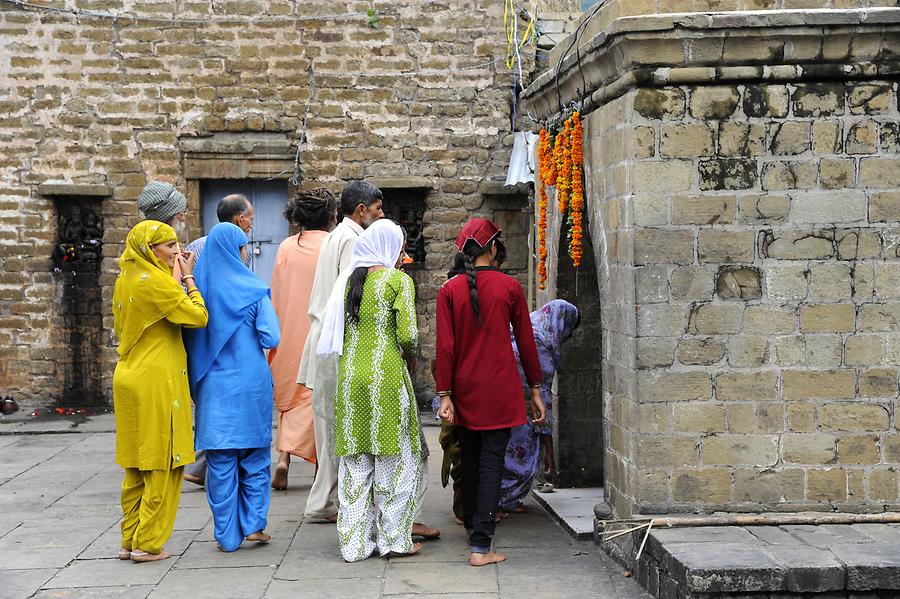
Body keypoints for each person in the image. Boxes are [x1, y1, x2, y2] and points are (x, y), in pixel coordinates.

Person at [435, 218, 545, 567]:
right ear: (494, 247)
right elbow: (527, 343)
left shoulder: (449, 290)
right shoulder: (510, 287)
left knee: (468, 459)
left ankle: (473, 531)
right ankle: (480, 546)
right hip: (500, 390)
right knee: (492, 463)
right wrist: (536, 389)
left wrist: (445, 394)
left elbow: (445, 348)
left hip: (464, 389)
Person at [316, 219, 423, 561]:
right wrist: (413, 355)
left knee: (355, 463)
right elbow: (408, 336)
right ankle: (393, 541)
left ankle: (354, 545)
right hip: (387, 379)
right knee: (395, 460)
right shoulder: (396, 280)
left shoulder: (348, 283)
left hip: (350, 381)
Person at [112, 220, 208, 563]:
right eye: (168, 247)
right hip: (156, 378)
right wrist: (188, 278)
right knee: (163, 463)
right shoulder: (156, 282)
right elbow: (196, 316)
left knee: (136, 464)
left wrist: (171, 272)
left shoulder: (128, 278)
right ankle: (148, 544)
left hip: (128, 376)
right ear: (150, 250)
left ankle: (129, 540)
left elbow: (158, 308)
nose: (175, 252)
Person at [183, 223, 280, 552]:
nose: (245, 253)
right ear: (233, 250)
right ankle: (254, 524)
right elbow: (271, 337)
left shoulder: (197, 294)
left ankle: (226, 535)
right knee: (254, 458)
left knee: (220, 463)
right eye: (243, 247)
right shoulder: (253, 289)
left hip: (213, 388)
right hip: (250, 384)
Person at [297, 180, 384, 522]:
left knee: (329, 427)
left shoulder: (339, 235)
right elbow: (354, 295)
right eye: (377, 209)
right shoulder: (352, 239)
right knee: (336, 428)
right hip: (336, 339)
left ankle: (322, 502)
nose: (380, 215)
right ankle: (322, 504)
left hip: (325, 335)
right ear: (361, 210)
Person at [269, 189, 339, 490]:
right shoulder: (333, 244)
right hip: (319, 329)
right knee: (318, 397)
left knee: (290, 394)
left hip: (288, 326)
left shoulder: (286, 246)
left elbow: (277, 290)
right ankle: (319, 467)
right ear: (329, 217)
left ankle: (283, 457)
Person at [182, 193, 254, 487]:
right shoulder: (238, 250)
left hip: (198, 332)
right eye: (250, 217)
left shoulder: (195, 247)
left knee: (207, 398)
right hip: (224, 335)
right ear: (239, 219)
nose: (251, 223)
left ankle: (203, 464)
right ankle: (217, 465)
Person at [499, 300, 580, 513]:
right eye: (569, 329)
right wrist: (549, 455)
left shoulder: (527, 329)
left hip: (502, 402)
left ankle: (500, 501)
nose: (568, 335)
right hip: (521, 409)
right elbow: (542, 394)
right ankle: (506, 500)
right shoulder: (540, 344)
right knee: (519, 455)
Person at [184, 194, 254, 264]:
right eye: (250, 219)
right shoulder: (244, 251)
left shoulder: (194, 247)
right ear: (240, 220)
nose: (251, 226)